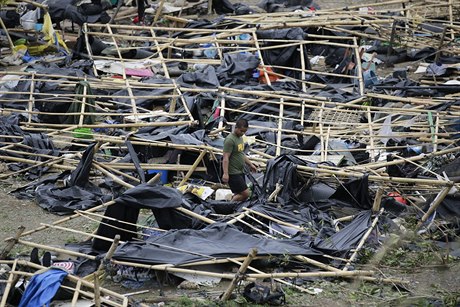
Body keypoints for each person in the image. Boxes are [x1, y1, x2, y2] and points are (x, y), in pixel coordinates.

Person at [222, 119, 257, 201]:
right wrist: (226, 173)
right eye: (241, 131)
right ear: (236, 127)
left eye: (244, 131)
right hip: (233, 173)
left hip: (240, 171)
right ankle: (230, 204)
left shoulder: (240, 138)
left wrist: (250, 164)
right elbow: (225, 158)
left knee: (239, 193)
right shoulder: (230, 140)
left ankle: (234, 207)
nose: (243, 133)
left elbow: (241, 154)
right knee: (246, 193)